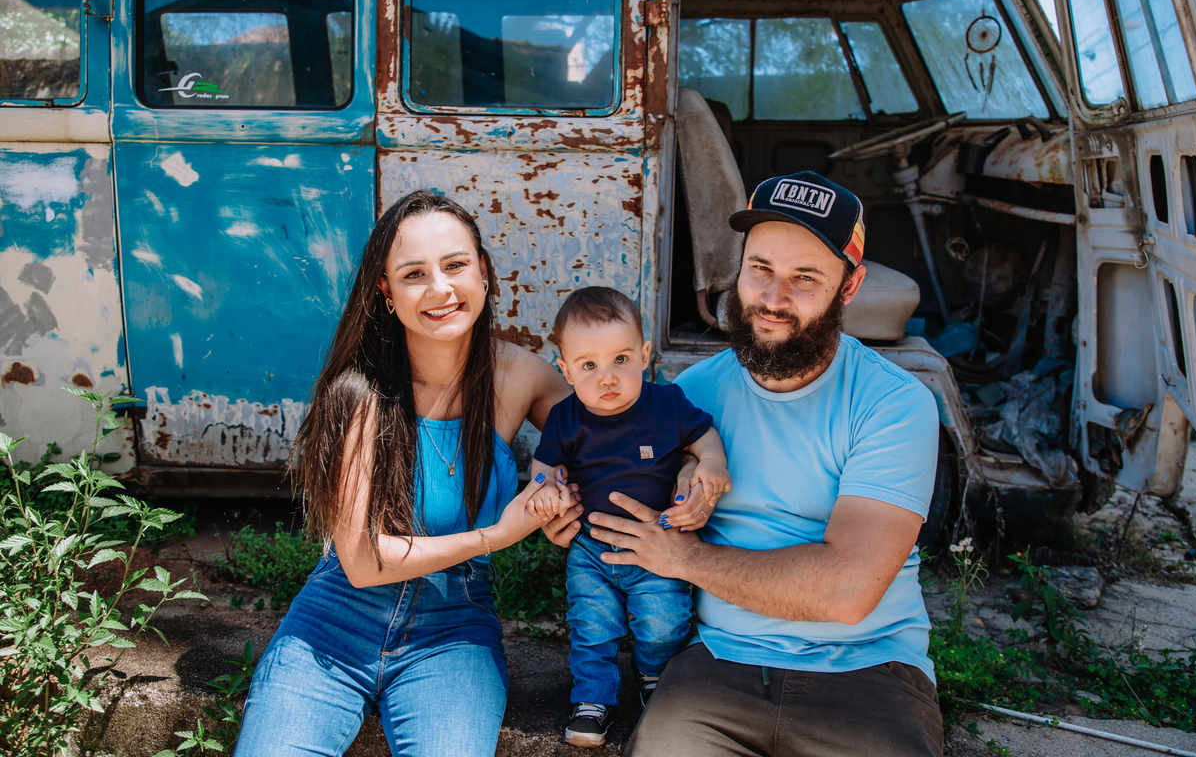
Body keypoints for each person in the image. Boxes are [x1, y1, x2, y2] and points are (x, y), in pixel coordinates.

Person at [547, 171, 945, 757]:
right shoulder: (692, 394)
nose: (773, 298)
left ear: (850, 286)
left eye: (805, 278)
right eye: (760, 269)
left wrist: (685, 558)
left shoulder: (894, 402)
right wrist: (570, 517)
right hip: (718, 663)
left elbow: (847, 591)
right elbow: (614, 485)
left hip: (869, 670)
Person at [233, 190, 581, 757]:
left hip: (455, 630)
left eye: (455, 265)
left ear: (484, 273)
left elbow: (610, 435)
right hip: (335, 620)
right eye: (414, 274)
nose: (440, 289)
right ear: (386, 292)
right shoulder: (359, 392)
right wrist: (501, 534)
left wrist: (568, 494)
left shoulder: (521, 376)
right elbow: (365, 563)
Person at [525, 286, 730, 748]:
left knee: (661, 621)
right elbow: (545, 467)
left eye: (620, 359)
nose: (608, 377)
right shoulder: (565, 417)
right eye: (589, 366)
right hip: (592, 549)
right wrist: (545, 490)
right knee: (591, 624)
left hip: (656, 545)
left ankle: (655, 675)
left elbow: (703, 437)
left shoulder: (667, 404)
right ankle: (592, 698)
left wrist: (712, 462)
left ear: (643, 354)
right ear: (566, 370)